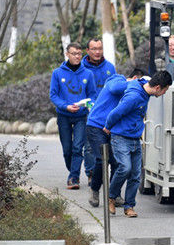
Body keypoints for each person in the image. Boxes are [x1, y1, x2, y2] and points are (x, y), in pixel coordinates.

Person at [104, 70, 173, 217]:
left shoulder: (143, 86)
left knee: (136, 175)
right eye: (165, 90)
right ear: (158, 88)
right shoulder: (134, 97)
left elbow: (140, 81)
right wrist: (108, 127)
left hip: (135, 138)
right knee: (125, 168)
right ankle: (111, 197)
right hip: (120, 137)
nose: (164, 94)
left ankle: (129, 206)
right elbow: (116, 113)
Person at [85, 67, 145, 211]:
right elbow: (114, 88)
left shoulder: (133, 94)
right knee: (102, 158)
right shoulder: (117, 79)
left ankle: (114, 195)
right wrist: (135, 84)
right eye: (140, 83)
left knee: (118, 162)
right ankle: (94, 190)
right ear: (135, 79)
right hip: (97, 125)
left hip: (113, 129)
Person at [49, 42, 97, 189]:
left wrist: (89, 105)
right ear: (67, 54)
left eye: (79, 54)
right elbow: (53, 95)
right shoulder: (57, 73)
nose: (77, 56)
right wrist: (65, 106)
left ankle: (74, 177)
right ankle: (73, 170)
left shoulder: (88, 74)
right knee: (67, 150)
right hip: (63, 115)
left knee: (78, 147)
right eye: (74, 54)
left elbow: (92, 95)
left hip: (81, 116)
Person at [82, 37, 117, 180]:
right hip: (87, 112)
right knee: (89, 146)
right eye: (94, 49)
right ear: (88, 50)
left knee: (109, 145)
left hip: (106, 113)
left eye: (100, 49)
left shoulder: (110, 67)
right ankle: (91, 173)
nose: (97, 52)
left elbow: (115, 88)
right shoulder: (82, 68)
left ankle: (104, 173)